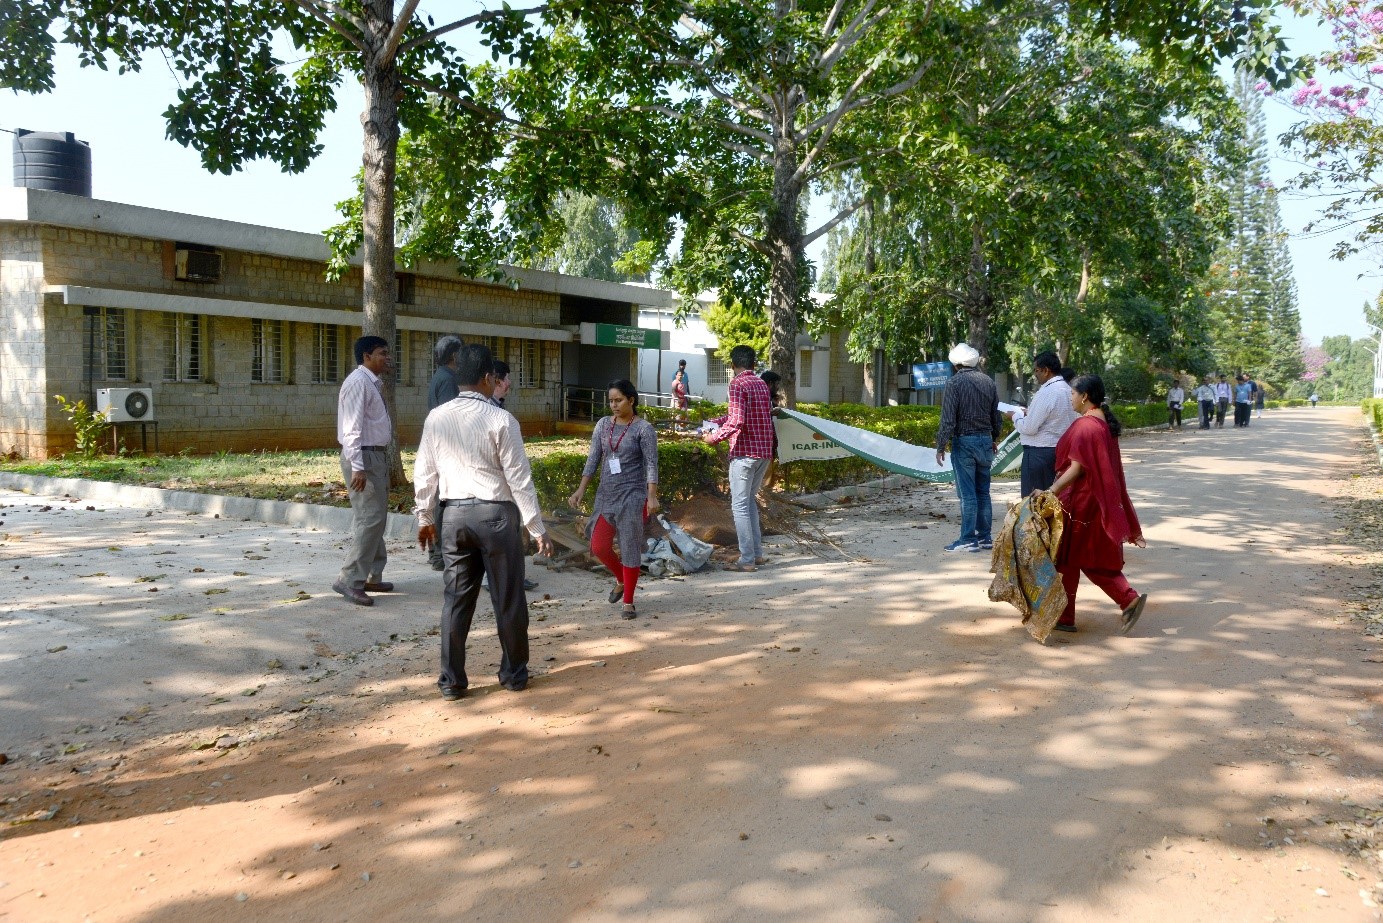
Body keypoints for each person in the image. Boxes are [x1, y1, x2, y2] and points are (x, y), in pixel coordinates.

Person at [414, 344, 555, 701]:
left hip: (454, 516)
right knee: (508, 598)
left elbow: (425, 474)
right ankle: (514, 674)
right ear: (489, 378)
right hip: (496, 517)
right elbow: (519, 479)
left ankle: (451, 681)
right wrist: (536, 527)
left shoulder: (436, 418)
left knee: (456, 600)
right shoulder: (501, 420)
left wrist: (425, 518)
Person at [1045, 374, 1147, 634]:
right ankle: (1065, 616)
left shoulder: (1086, 426)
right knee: (1070, 557)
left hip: (1081, 500)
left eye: (1073, 393)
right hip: (1093, 499)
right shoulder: (1102, 422)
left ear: (1085, 396)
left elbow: (1077, 468)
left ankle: (1127, 598)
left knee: (1081, 557)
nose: (1070, 398)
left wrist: (1051, 491)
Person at [568, 380, 660, 619]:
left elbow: (651, 464)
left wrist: (651, 496)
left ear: (631, 400)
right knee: (598, 545)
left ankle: (628, 602)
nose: (614, 405)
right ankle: (621, 578)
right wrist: (580, 490)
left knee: (629, 547)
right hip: (606, 495)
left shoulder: (644, 429)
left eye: (618, 400)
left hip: (633, 496)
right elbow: (593, 459)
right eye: (611, 401)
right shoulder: (602, 425)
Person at [702, 345, 775, 572]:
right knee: (749, 502)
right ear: (754, 364)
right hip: (763, 454)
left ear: (732, 365)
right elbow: (739, 415)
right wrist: (716, 422)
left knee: (740, 506)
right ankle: (756, 554)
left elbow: (737, 421)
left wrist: (713, 438)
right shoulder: (761, 384)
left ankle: (747, 560)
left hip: (744, 454)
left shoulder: (737, 384)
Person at [332, 336, 393, 607]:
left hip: (372, 455)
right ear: (367, 356)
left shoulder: (371, 382)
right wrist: (358, 466)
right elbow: (351, 429)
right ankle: (349, 579)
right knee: (371, 517)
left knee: (374, 517)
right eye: (382, 353)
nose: (387, 358)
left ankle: (371, 575)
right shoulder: (359, 383)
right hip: (363, 457)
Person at [935, 342, 1002, 552]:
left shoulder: (954, 383)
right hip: (985, 441)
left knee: (967, 494)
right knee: (983, 492)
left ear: (955, 364)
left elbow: (948, 420)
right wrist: (993, 437)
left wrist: (940, 445)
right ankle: (985, 537)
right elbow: (996, 416)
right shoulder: (989, 382)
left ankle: (967, 539)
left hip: (964, 442)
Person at [1009, 351, 1078, 496]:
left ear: (1046, 370)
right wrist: (1030, 413)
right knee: (1052, 499)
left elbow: (1029, 428)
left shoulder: (1047, 391)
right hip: (1060, 451)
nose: (1035, 374)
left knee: (1034, 501)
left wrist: (1015, 417)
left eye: (1036, 370)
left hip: (1039, 454)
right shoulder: (1068, 389)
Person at [425, 335, 464, 571]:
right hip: (446, 449)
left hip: (439, 446)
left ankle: (437, 552)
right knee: (442, 502)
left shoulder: (441, 376)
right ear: (453, 355)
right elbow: (451, 419)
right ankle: (438, 554)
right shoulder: (448, 380)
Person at [671, 367, 690, 432]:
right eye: (679, 375)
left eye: (681, 375)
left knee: (684, 413)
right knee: (677, 414)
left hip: (683, 400)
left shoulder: (682, 382)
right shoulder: (675, 382)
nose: (680, 376)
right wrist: (677, 399)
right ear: (676, 375)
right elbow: (673, 391)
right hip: (677, 401)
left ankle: (683, 427)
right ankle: (676, 427)